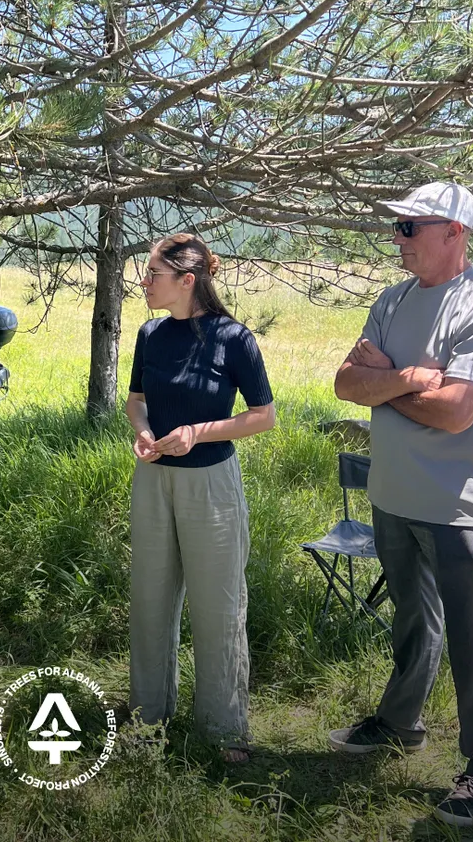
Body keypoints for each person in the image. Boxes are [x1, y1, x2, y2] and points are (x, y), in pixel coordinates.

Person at [330, 182, 473, 827]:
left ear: (455, 233)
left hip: (454, 502)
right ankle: (399, 721)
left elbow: (456, 411)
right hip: (392, 494)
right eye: (398, 227)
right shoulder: (394, 298)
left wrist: (384, 386)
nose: (400, 238)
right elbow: (344, 382)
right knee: (414, 621)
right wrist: (407, 380)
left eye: (413, 227)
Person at [125, 233, 276, 762]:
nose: (144, 282)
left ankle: (224, 726)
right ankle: (147, 717)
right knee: (149, 601)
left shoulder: (234, 338)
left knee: (218, 607)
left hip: (211, 485)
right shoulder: (150, 332)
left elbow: (263, 416)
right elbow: (135, 400)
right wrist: (142, 431)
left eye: (152, 275)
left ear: (187, 281)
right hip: (153, 482)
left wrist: (199, 432)